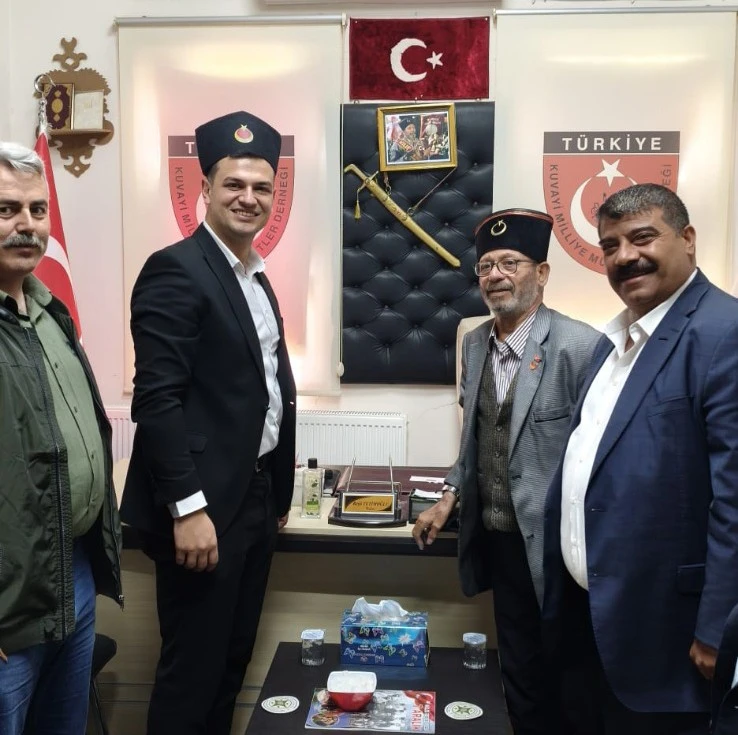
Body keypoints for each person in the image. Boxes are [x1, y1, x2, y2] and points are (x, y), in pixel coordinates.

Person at [120, 111, 296, 735]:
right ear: (205, 189)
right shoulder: (176, 268)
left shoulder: (254, 274)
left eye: (261, 187)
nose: (249, 198)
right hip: (202, 507)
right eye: (234, 184)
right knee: (191, 677)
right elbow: (156, 401)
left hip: (253, 497)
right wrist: (188, 509)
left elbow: (264, 388)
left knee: (230, 667)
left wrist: (276, 491)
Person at [542, 183, 738, 734]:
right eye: (610, 245)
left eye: (643, 237)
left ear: (688, 239)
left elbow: (734, 501)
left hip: (670, 638)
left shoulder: (724, 333)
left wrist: (718, 629)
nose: (625, 256)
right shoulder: (614, 341)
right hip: (594, 619)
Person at [411, 209, 599, 735]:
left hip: (559, 551)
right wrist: (449, 497)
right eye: (486, 265)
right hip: (500, 540)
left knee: (570, 682)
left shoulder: (580, 346)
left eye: (510, 263)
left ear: (542, 272)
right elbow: (474, 436)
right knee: (519, 674)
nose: (495, 275)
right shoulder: (474, 343)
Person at [0, 141, 123, 733]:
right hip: (9, 597)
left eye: (37, 209)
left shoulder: (51, 313)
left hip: (71, 568)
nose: (26, 225)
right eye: (6, 210)